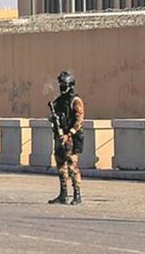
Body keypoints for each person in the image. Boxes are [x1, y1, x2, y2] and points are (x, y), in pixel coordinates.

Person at [48, 71, 85, 206]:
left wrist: (69, 133)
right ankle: (63, 194)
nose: (62, 87)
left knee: (72, 167)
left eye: (64, 84)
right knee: (60, 166)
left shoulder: (76, 101)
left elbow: (79, 120)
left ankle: (77, 194)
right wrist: (53, 120)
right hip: (60, 136)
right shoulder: (59, 101)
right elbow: (54, 116)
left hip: (71, 138)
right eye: (61, 84)